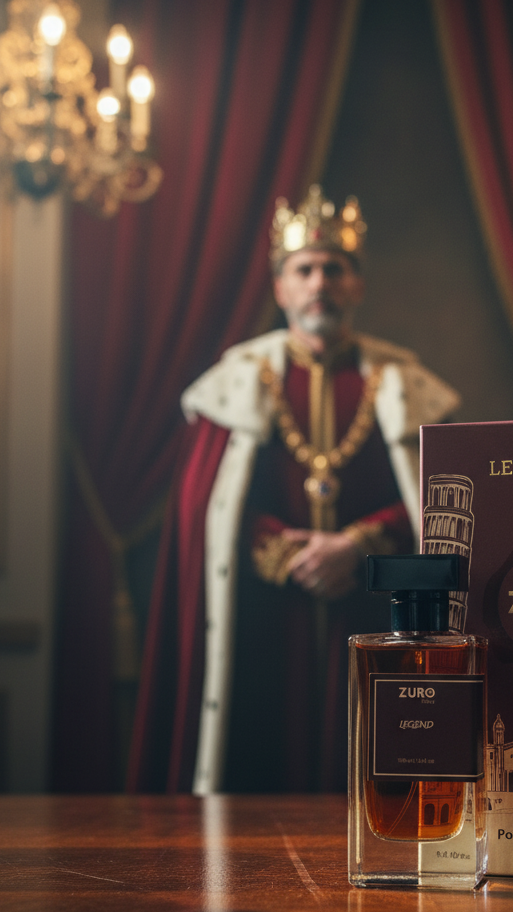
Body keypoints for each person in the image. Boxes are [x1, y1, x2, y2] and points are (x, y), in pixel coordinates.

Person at [127, 185, 459, 794]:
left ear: (357, 285)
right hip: (261, 614)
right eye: (303, 269)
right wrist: (289, 555)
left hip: (374, 610)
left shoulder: (401, 382)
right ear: (280, 287)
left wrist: (357, 546)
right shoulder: (235, 382)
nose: (319, 283)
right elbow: (202, 510)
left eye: (335, 269)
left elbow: (438, 502)